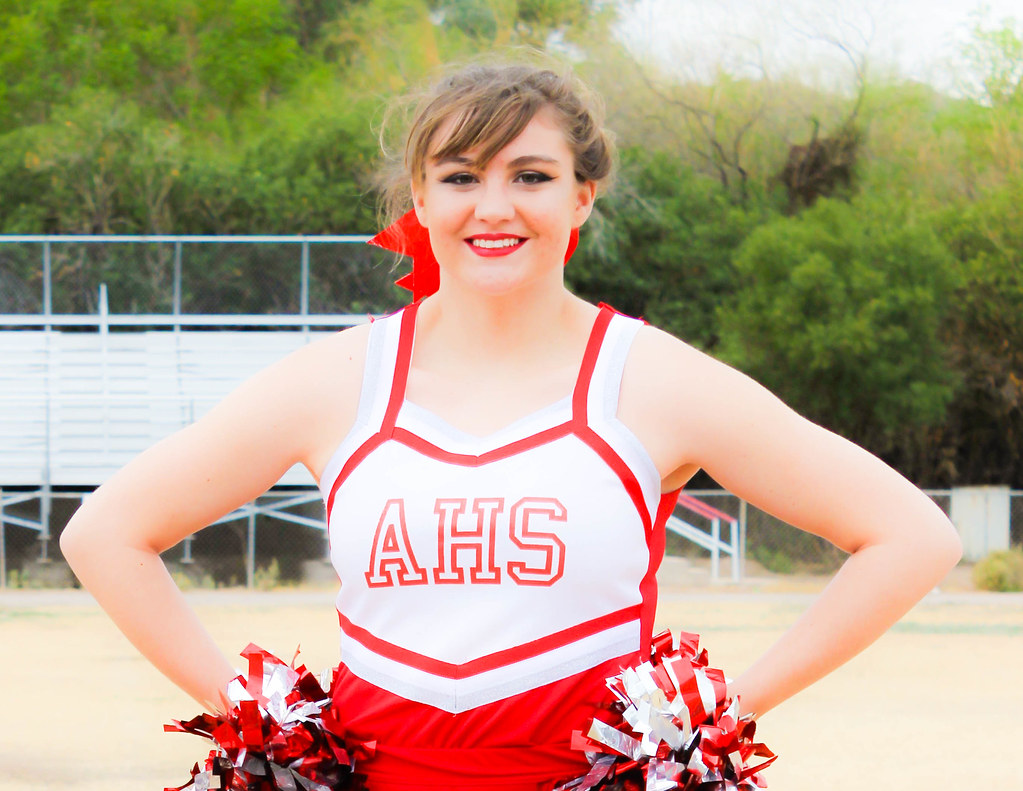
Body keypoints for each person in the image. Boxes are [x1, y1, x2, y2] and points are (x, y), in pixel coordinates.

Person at [60, 60, 962, 791]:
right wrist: (263, 723)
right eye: (460, 178)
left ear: (582, 197)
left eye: (529, 176)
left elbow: (908, 535)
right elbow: (107, 533)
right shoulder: (337, 376)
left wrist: (704, 719)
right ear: (419, 197)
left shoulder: (656, 380)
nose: (493, 208)